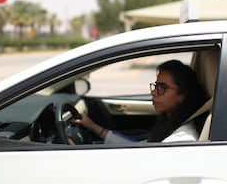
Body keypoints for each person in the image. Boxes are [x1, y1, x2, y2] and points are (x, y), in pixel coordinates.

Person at [73, 59, 209, 143]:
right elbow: (138, 148)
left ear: (182, 95)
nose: (153, 92)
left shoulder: (181, 139)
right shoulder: (170, 124)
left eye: (162, 87)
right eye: (156, 86)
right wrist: (92, 126)